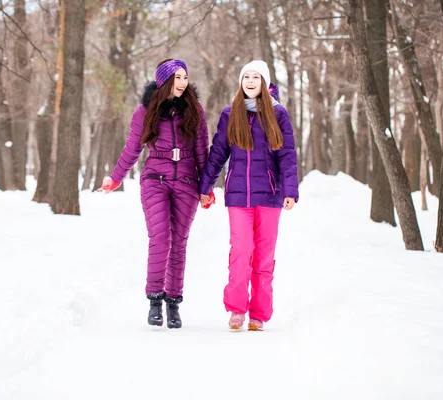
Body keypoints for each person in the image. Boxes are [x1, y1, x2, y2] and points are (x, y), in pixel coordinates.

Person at [99, 59, 209, 329]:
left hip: (186, 180)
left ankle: (173, 304)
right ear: (164, 81)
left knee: (179, 242)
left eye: (185, 76)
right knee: (160, 237)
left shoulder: (194, 110)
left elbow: (201, 151)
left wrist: (206, 188)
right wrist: (115, 178)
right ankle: (155, 300)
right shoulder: (144, 111)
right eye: (178, 77)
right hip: (154, 180)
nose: (183, 82)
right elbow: (132, 149)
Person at [199, 60, 298, 331]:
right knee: (241, 252)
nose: (251, 81)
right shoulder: (231, 114)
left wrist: (290, 190)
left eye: (256, 77)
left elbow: (287, 155)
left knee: (264, 257)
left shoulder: (278, 115)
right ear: (241, 82)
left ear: (265, 83)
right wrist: (205, 186)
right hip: (238, 198)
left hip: (271, 197)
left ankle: (259, 314)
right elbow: (218, 152)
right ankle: (236, 309)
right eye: (246, 77)